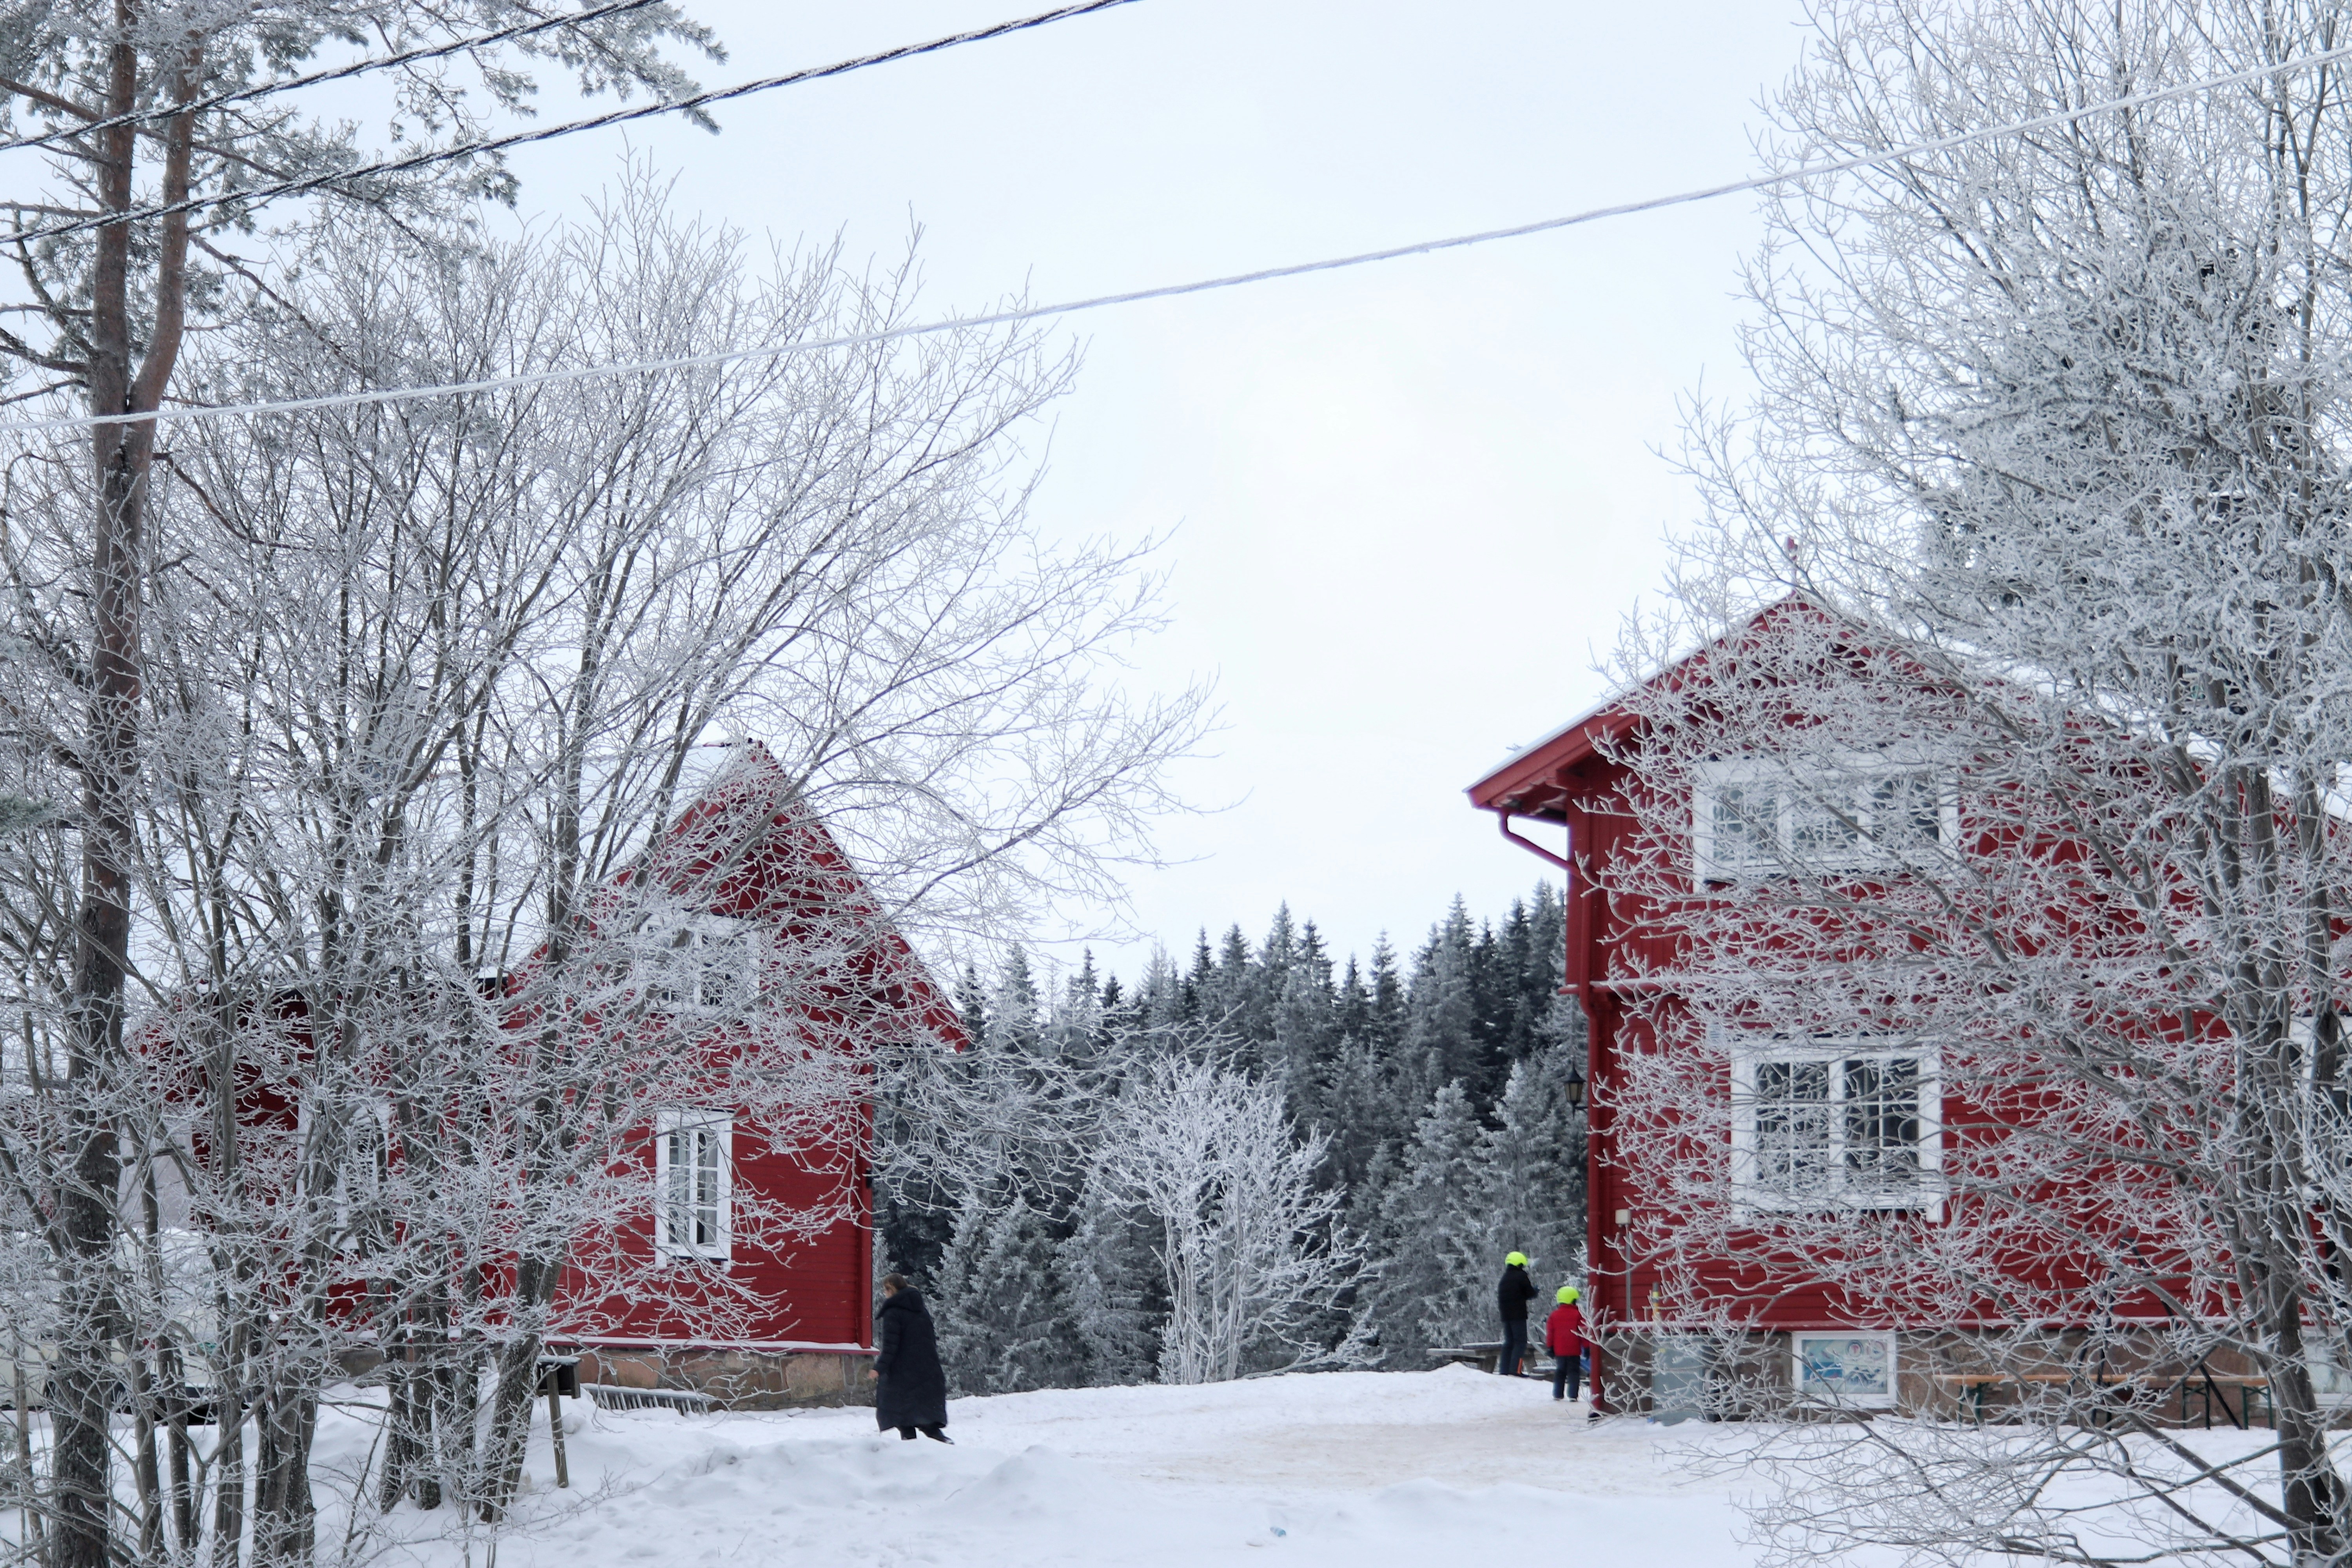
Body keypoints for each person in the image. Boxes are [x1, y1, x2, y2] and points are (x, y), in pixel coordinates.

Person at [869, 1274, 952, 1443]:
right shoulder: (921, 1311)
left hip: (902, 1375)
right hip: (927, 1371)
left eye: (886, 1289)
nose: (885, 1293)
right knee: (926, 1421)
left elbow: (891, 1347)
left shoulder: (893, 1313)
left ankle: (911, 1456)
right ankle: (945, 1446)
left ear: (891, 1289)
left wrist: (879, 1368)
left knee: (902, 1417)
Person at [1495, 1251, 1537, 1376]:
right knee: (1520, 1342)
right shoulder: (1521, 1276)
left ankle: (1504, 1370)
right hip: (1518, 1315)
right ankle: (1515, 1370)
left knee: (1509, 1342)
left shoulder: (1504, 1278)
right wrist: (1535, 1291)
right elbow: (1529, 1293)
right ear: (1520, 1263)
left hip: (1506, 1315)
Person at [1546, 1286, 1588, 1402]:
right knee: (1574, 1372)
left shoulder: (1554, 1315)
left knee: (1560, 1371)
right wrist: (1587, 1347)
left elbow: (1550, 1334)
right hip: (1574, 1350)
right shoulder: (1578, 1315)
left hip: (1560, 1351)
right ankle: (1573, 1395)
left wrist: (1550, 1347)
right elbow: (1583, 1332)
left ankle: (1558, 1394)